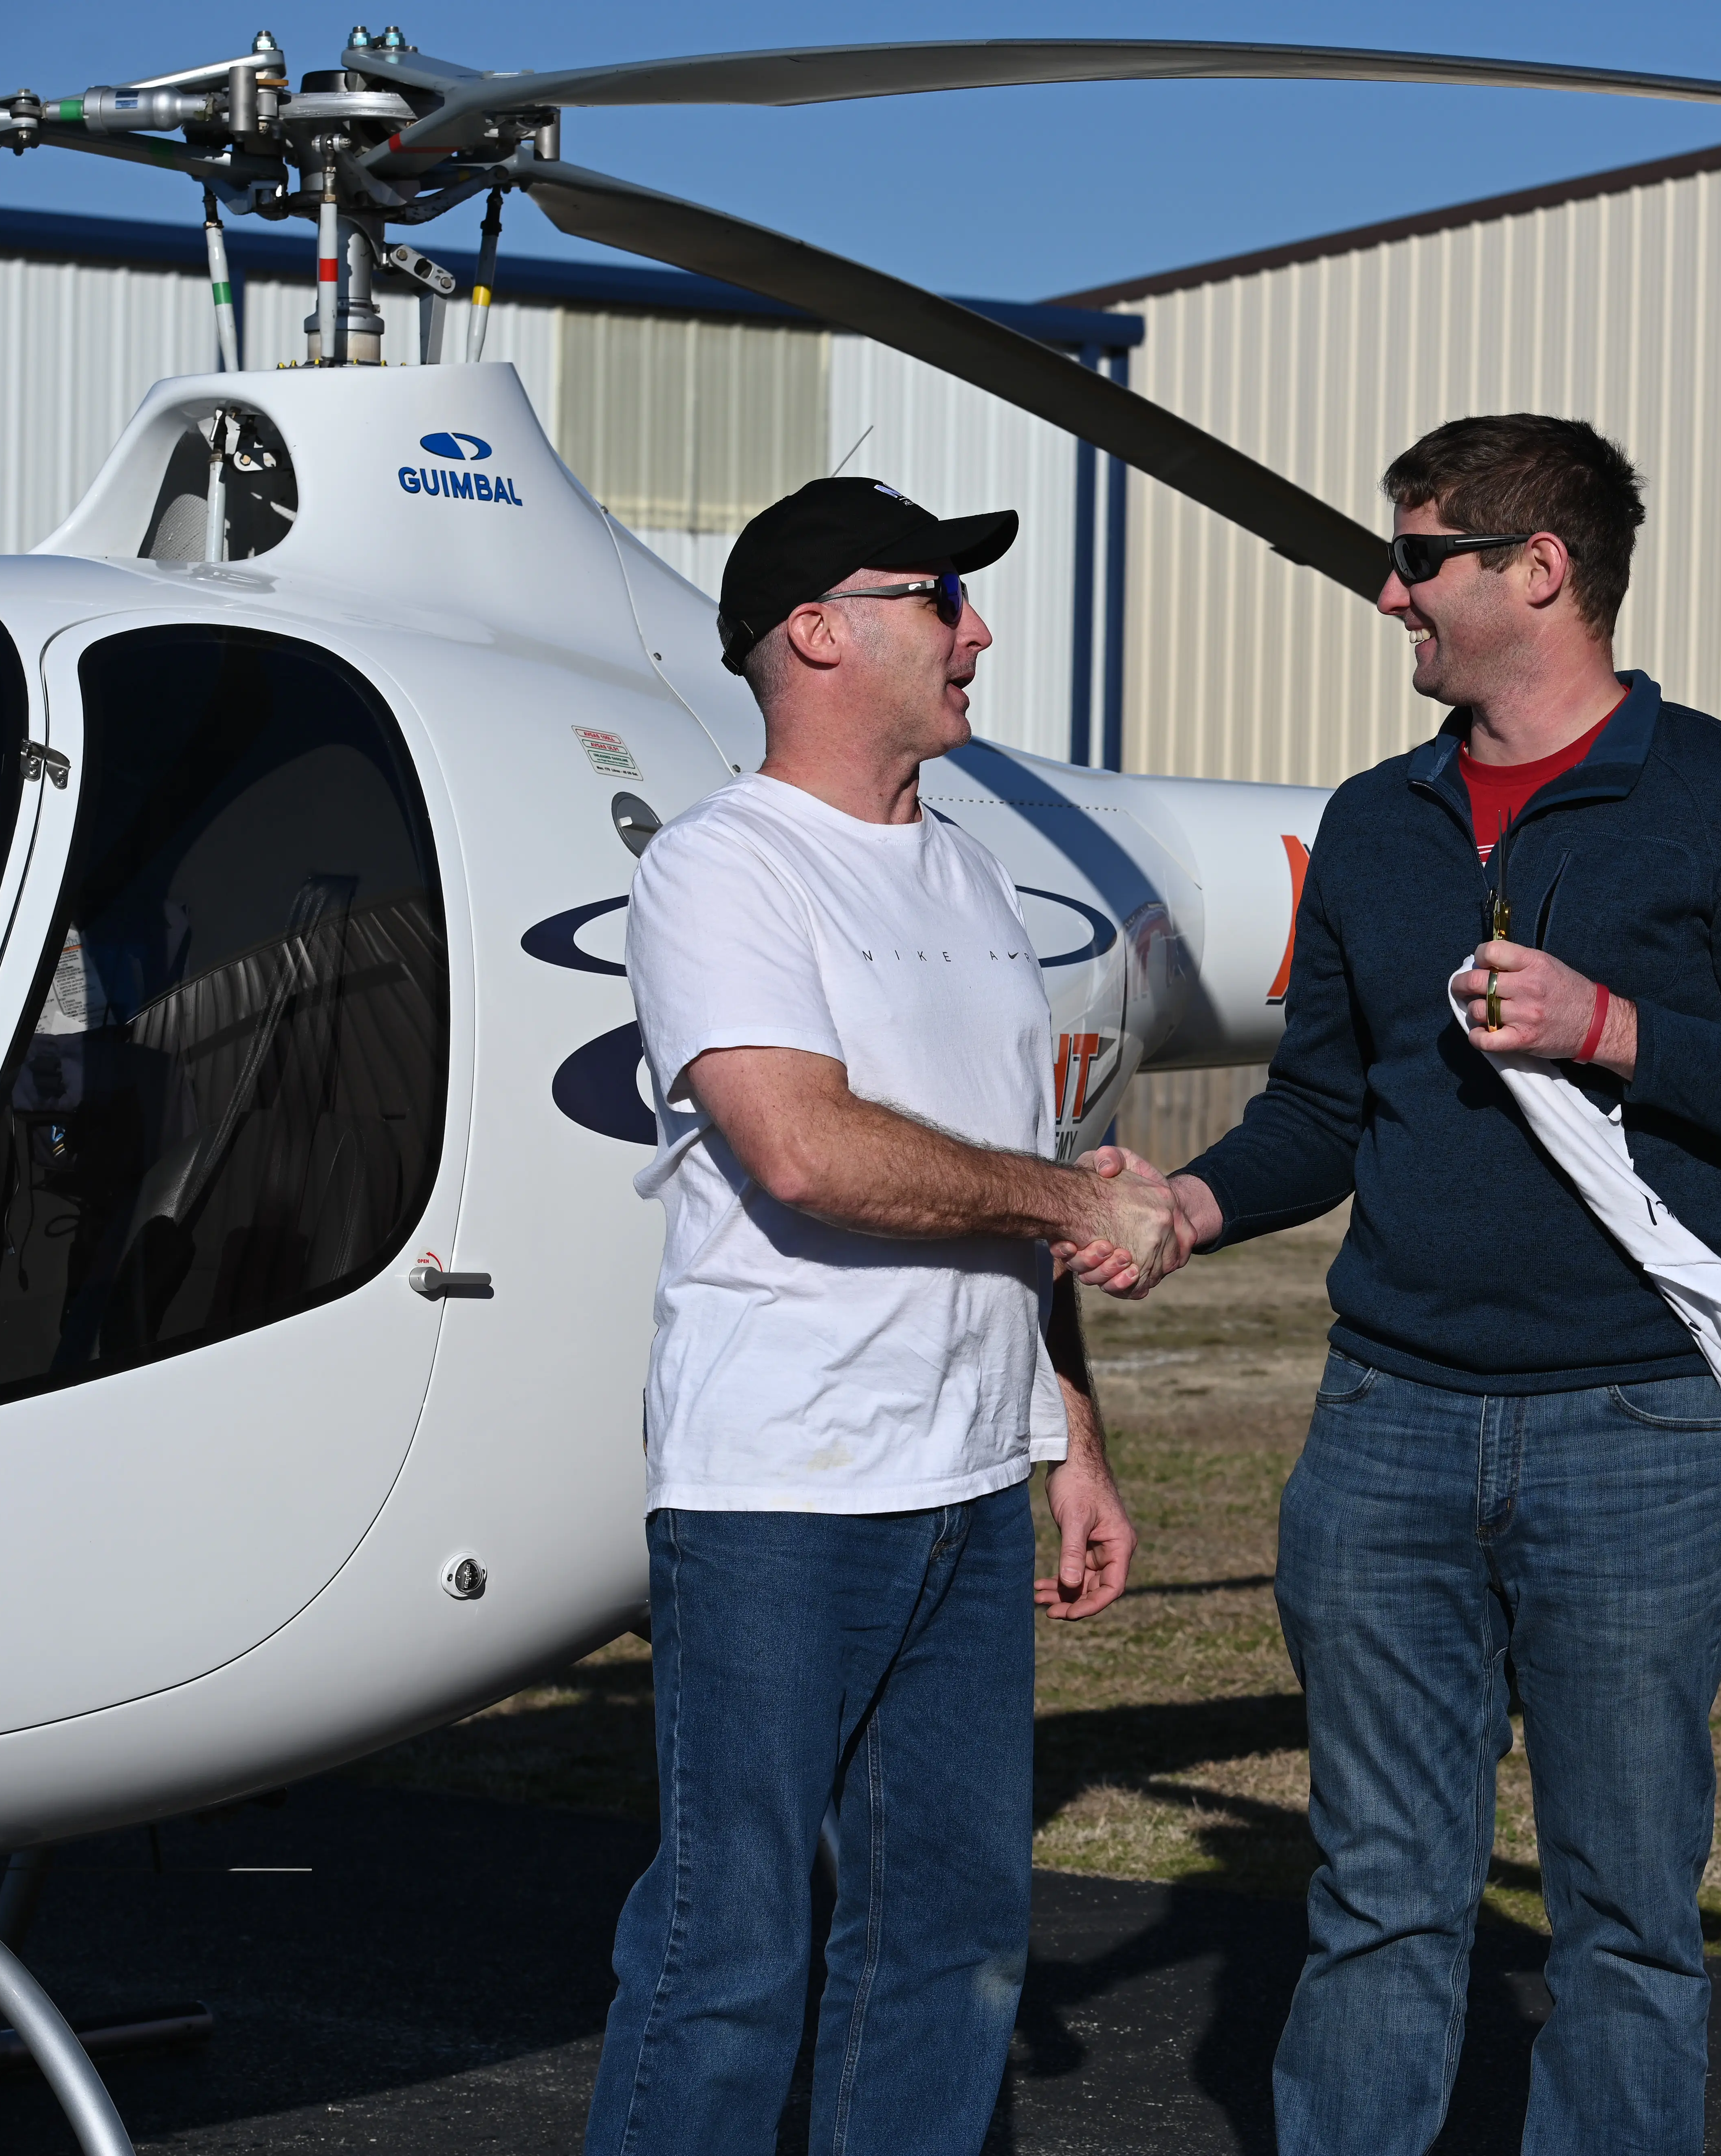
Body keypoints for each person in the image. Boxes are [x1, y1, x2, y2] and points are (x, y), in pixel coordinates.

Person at [1161, 415, 1721, 2154]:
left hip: (1632, 1428)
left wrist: (1611, 1028)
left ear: (1537, 570)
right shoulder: (1374, 821)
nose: (1386, 589)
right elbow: (1323, 1112)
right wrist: (1185, 1203)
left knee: (1628, 1924)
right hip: (1385, 1433)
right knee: (1375, 1904)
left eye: (1418, 555)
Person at [584, 477, 1180, 2156]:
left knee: (953, 1945)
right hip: (781, 1488)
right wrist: (1080, 1205)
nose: (975, 628)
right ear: (820, 632)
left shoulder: (971, 881)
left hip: (967, 1480)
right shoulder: (724, 867)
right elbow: (805, 1148)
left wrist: (1069, 1433)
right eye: (939, 595)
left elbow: (1010, 1165)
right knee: (731, 1954)